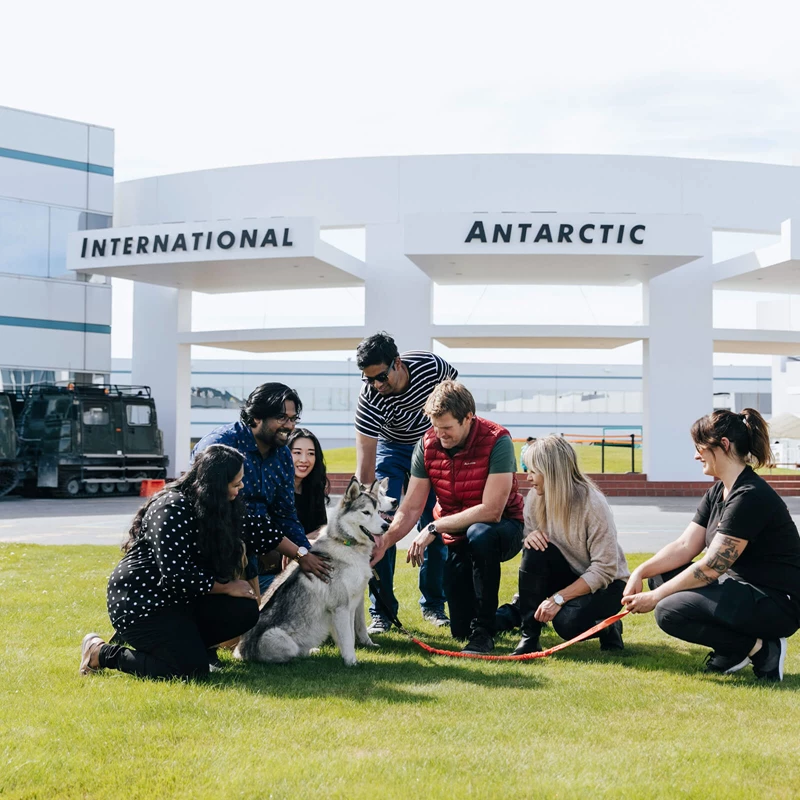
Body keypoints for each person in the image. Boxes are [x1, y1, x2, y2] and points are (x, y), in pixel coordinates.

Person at [623, 409, 800, 682]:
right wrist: (640, 572)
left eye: (700, 448)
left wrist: (654, 598)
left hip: (776, 603)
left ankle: (761, 649)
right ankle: (733, 650)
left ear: (724, 445)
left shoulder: (750, 496)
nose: (696, 456)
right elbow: (684, 545)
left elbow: (712, 567)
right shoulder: (719, 491)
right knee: (659, 576)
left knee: (669, 610)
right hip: (740, 590)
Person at [78, 445, 281, 680]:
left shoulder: (217, 507)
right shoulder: (171, 507)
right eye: (235, 483)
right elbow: (175, 573)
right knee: (190, 672)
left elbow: (259, 529)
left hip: (181, 599)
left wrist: (302, 555)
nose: (241, 487)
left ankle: (184, 648)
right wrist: (226, 586)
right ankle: (101, 653)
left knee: (243, 610)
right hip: (142, 601)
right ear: (215, 484)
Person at [371, 381, 524, 654]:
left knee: (481, 533)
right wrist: (384, 542)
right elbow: (411, 507)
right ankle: (515, 613)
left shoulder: (497, 440)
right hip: (458, 535)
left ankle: (484, 637)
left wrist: (434, 526)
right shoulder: (428, 443)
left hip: (503, 529)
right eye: (435, 426)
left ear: (468, 418)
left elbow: (492, 510)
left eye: (447, 428)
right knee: (460, 629)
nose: (440, 434)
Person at [355, 332, 458, 634]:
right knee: (382, 525)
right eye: (369, 379)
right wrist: (368, 510)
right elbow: (366, 463)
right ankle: (382, 612)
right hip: (392, 449)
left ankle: (433, 606)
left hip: (431, 445)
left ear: (397, 363)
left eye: (381, 377)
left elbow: (455, 400)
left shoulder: (432, 367)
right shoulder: (370, 399)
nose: (376, 385)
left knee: (435, 523)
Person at [192, 383, 330, 595]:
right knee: (236, 616)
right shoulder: (221, 445)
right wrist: (297, 553)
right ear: (256, 417)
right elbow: (211, 511)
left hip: (255, 549)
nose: (289, 425)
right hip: (213, 548)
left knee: (259, 614)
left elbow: (285, 515)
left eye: (293, 419)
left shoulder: (282, 454)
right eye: (282, 418)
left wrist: (306, 555)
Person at [510, 435, 630, 655]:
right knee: (533, 549)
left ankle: (608, 625)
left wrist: (559, 598)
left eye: (533, 471)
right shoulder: (536, 498)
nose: (528, 478)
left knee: (567, 624)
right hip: (569, 575)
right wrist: (528, 538)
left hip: (608, 585)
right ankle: (529, 637)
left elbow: (605, 568)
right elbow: (532, 550)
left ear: (552, 471)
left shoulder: (592, 503)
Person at [288, 427, 329, 539]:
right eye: (297, 452)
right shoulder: (275, 489)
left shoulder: (314, 487)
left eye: (311, 453)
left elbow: (322, 529)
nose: (304, 459)